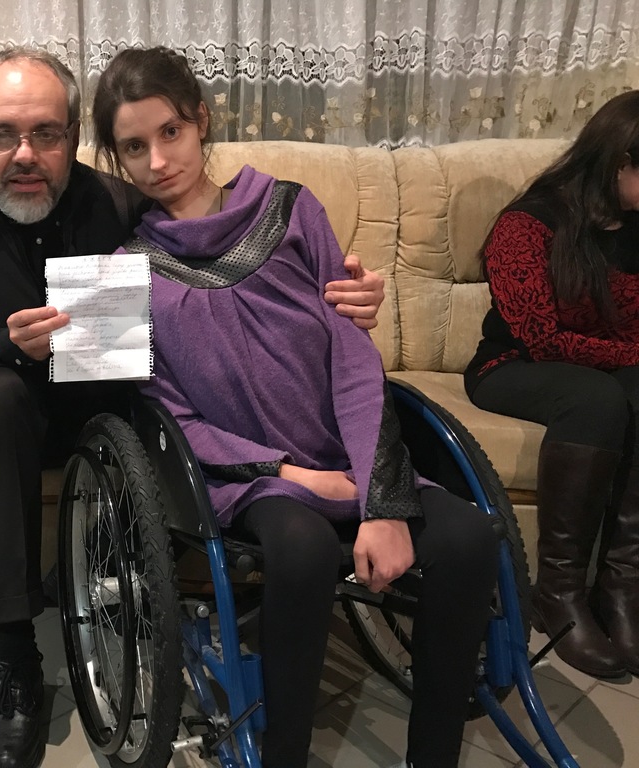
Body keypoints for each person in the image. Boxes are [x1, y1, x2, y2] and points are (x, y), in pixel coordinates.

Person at [0, 46, 385, 768]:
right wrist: (8, 346)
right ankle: (15, 659)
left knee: (150, 396)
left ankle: (160, 586)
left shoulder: (121, 201)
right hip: (7, 409)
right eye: (2, 134)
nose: (25, 153)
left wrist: (343, 293)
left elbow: (222, 278)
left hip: (113, 395)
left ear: (73, 136)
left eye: (46, 133)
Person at [91, 46, 500, 768]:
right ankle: (285, 753)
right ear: (116, 158)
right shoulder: (122, 270)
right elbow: (166, 417)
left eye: (171, 132)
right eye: (132, 147)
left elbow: (351, 356)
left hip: (347, 453)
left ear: (201, 121)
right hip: (252, 480)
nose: (156, 161)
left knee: (468, 537)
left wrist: (379, 497)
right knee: (303, 548)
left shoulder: (290, 208)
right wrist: (294, 476)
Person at [465, 90, 639, 680]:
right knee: (597, 399)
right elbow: (539, 338)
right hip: (512, 365)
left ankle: (620, 587)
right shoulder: (529, 222)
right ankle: (558, 593)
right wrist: (631, 354)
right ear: (620, 161)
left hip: (605, 367)